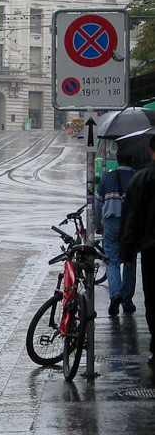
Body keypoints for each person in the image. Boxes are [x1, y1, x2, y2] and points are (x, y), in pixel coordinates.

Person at [120, 137, 155, 366]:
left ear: (151, 151)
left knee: (152, 298)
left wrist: (127, 252)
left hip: (151, 249)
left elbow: (130, 219)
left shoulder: (140, 178)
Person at [95, 153, 135, 315]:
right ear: (132, 160)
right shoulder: (135, 178)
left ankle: (115, 294)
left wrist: (98, 226)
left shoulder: (107, 178)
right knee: (129, 262)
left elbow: (97, 205)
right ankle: (127, 302)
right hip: (131, 226)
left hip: (111, 223)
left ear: (117, 161)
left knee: (112, 261)